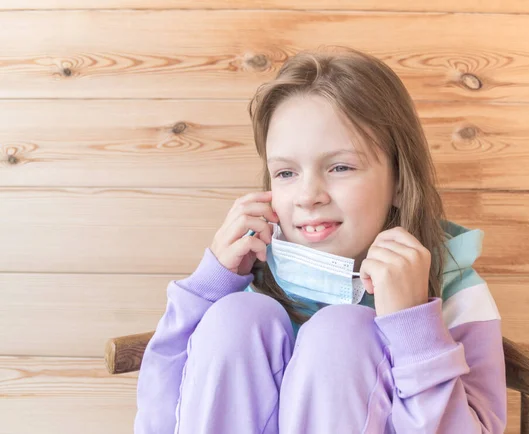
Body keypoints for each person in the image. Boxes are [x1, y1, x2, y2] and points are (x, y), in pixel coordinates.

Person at [134, 46, 507, 434]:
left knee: (343, 333)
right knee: (236, 318)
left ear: (398, 180)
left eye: (341, 167)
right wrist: (206, 290)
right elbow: (160, 420)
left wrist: (415, 329)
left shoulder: (456, 290)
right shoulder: (249, 282)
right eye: (285, 173)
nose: (308, 195)